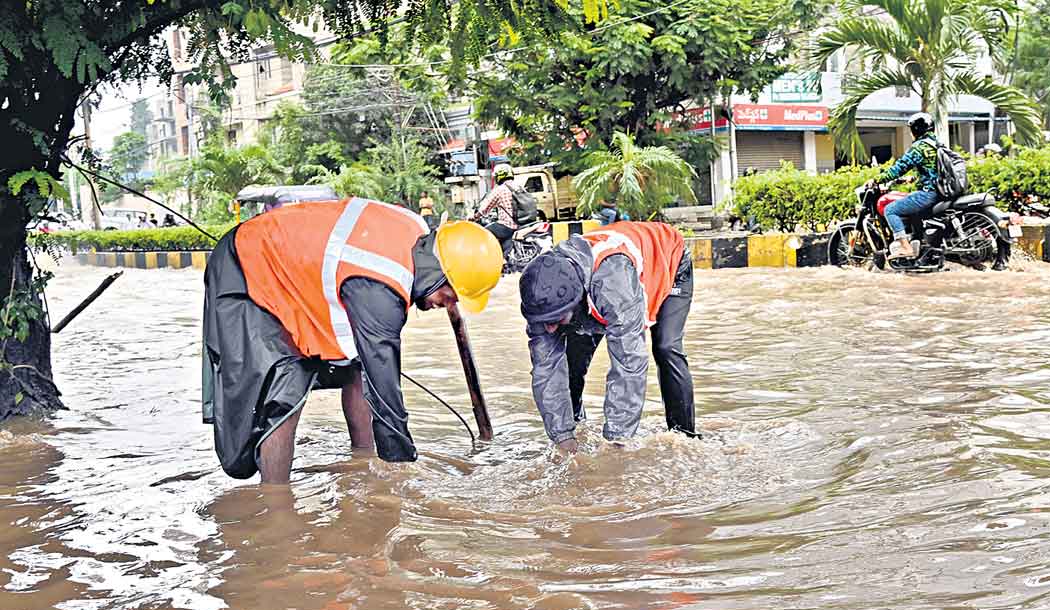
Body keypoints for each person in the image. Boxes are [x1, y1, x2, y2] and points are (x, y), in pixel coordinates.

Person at [202, 198, 503, 483]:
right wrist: (400, 467)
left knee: (357, 368)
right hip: (249, 266)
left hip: (297, 277)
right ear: (439, 276)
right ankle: (277, 503)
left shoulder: (419, 237)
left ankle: (362, 461)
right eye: (450, 296)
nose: (447, 305)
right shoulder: (382, 288)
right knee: (284, 388)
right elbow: (385, 385)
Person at [518, 221, 696, 453]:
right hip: (589, 290)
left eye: (554, 321)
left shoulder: (613, 285)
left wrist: (616, 444)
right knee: (574, 361)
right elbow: (546, 370)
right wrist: (563, 441)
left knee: (665, 347)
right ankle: (575, 426)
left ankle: (685, 437)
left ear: (577, 301)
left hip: (670, 259)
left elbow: (629, 363)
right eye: (544, 322)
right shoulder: (541, 298)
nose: (549, 329)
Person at [875, 111, 943, 260]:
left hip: (928, 193)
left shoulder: (920, 147)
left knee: (890, 209)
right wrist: (911, 179)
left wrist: (876, 180)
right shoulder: (938, 144)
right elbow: (931, 169)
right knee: (911, 202)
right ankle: (917, 240)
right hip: (940, 191)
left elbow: (899, 168)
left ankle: (906, 248)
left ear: (916, 130)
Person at [474, 163, 519, 254]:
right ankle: (505, 257)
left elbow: (485, 207)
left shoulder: (500, 189)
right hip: (521, 224)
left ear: (499, 176)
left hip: (507, 225)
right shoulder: (519, 187)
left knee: (482, 233)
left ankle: (489, 257)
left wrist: (475, 216)